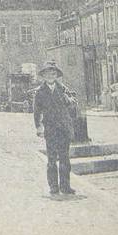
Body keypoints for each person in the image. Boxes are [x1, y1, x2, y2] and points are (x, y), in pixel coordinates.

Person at [33, 61, 77, 196]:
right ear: (44, 76)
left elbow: (73, 103)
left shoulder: (63, 88)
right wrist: (39, 127)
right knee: (52, 159)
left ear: (56, 75)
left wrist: (69, 100)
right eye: (48, 73)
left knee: (65, 159)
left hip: (63, 128)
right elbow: (36, 111)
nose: (51, 75)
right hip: (51, 129)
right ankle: (53, 187)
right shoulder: (40, 92)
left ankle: (65, 186)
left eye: (53, 73)